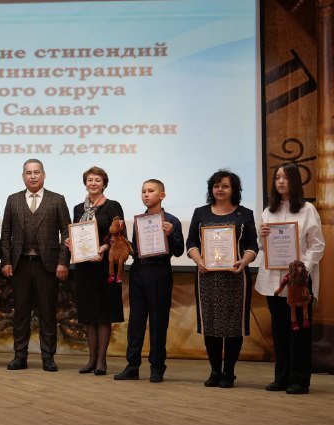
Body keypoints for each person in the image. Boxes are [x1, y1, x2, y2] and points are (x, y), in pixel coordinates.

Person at [255, 163, 325, 394]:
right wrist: (261, 237)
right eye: (277, 178)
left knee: (299, 330)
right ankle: (281, 377)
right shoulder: (268, 211)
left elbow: (317, 244)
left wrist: (301, 268)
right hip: (273, 281)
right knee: (280, 330)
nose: (281, 181)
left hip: (298, 281)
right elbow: (263, 247)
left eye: (285, 177)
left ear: (295, 181)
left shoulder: (307, 209)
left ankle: (299, 379)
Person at [186, 169, 258, 388]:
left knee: (233, 326)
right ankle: (215, 371)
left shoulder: (245, 214)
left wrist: (243, 262)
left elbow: (252, 245)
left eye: (225, 186)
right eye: (216, 186)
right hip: (207, 277)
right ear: (211, 189)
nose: (220, 189)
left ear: (234, 189)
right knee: (211, 325)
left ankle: (229, 372)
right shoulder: (200, 213)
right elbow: (191, 243)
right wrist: (199, 261)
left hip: (235, 277)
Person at [1, 159, 70, 372]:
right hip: (20, 265)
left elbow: (67, 232)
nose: (33, 176)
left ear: (44, 175)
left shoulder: (57, 200)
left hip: (47, 266)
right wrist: (6, 261)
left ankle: (48, 357)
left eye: (36, 172)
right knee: (20, 312)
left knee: (47, 313)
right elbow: (6, 235)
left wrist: (63, 262)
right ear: (23, 176)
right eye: (29, 173)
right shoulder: (13, 200)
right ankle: (19, 356)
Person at [114, 179, 184, 383]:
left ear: (161, 195)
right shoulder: (140, 221)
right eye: (143, 191)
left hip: (159, 271)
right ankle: (132, 365)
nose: (146, 194)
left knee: (158, 321)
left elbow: (179, 251)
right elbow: (136, 248)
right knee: (136, 321)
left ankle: (157, 366)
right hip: (138, 271)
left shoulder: (172, 220)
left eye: (151, 191)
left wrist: (171, 235)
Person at [67, 166, 125, 376]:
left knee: (104, 314)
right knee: (89, 315)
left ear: (104, 184)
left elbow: (119, 234)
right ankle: (91, 359)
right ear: (85, 183)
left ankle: (102, 360)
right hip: (84, 267)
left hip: (104, 266)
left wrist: (104, 247)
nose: (93, 183)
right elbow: (77, 232)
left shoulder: (113, 206)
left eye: (97, 180)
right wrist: (70, 241)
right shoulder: (77, 209)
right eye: (90, 180)